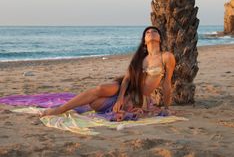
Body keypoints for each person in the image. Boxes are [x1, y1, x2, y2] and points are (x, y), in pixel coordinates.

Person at [39, 26, 176, 119]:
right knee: (99, 89)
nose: (150, 33)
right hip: (124, 89)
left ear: (160, 38)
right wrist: (120, 98)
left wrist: (166, 107)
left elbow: (167, 84)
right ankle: (59, 110)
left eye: (154, 31)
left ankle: (77, 106)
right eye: (147, 32)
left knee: (95, 104)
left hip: (137, 98)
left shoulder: (166, 57)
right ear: (144, 41)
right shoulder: (139, 58)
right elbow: (127, 79)